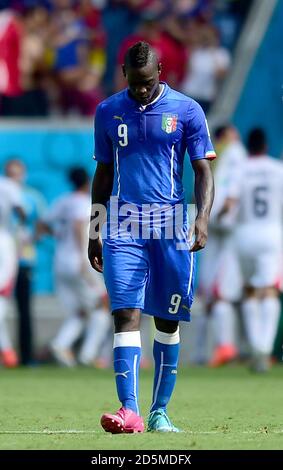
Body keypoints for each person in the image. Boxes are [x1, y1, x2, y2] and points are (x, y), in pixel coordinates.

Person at [88, 41, 215, 434]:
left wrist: (203, 217)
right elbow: (104, 175)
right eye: (135, 83)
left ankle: (160, 411)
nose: (142, 90)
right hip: (124, 225)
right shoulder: (108, 111)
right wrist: (95, 231)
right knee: (125, 314)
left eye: (148, 83)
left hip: (172, 223)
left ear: (161, 72)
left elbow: (204, 171)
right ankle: (129, 411)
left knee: (167, 319)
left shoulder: (187, 110)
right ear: (124, 73)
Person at [219, 128, 283, 372]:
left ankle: (256, 346)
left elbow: (229, 203)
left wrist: (218, 218)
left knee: (250, 291)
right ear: (265, 146)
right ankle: (265, 350)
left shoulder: (241, 169)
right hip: (271, 234)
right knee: (269, 290)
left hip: (244, 235)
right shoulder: (278, 169)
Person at [39, 167, 110, 367]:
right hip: (81, 263)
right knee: (101, 307)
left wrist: (60, 238)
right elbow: (79, 225)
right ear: (88, 182)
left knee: (78, 311)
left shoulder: (63, 201)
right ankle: (88, 355)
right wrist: (81, 256)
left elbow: (42, 224)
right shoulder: (83, 202)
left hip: (61, 263)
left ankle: (61, 344)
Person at [197, 125, 246, 366]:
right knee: (219, 293)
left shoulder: (213, 154)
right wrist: (225, 210)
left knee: (213, 292)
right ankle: (224, 347)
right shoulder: (235, 151)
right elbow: (233, 188)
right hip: (227, 226)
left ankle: (218, 348)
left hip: (213, 224)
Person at [5, 159, 46, 366]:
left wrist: (32, 239)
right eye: (10, 173)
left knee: (24, 309)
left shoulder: (32, 197)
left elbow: (42, 223)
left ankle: (26, 356)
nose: (14, 178)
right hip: (4, 256)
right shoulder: (4, 192)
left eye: (17, 173)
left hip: (23, 259)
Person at [0, 173, 25, 367]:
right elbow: (20, 211)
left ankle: (7, 350)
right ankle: (7, 351)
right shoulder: (9, 185)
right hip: (4, 242)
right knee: (2, 295)